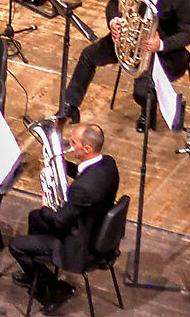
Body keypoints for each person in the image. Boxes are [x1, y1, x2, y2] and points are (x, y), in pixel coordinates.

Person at [56, 0, 190, 126]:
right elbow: (114, 3)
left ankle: (147, 113)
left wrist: (161, 44)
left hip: (162, 52)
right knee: (88, 55)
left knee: (142, 90)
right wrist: (114, 21)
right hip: (129, 39)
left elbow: (188, 33)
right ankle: (70, 106)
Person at [9, 125, 116, 307]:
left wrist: (46, 205)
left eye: (73, 143)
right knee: (35, 218)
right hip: (96, 229)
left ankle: (52, 290)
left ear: (87, 149)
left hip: (79, 245)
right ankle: (34, 274)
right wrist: (60, 164)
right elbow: (83, 174)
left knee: (16, 245)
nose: (69, 145)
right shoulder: (108, 164)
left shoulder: (83, 189)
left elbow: (59, 221)